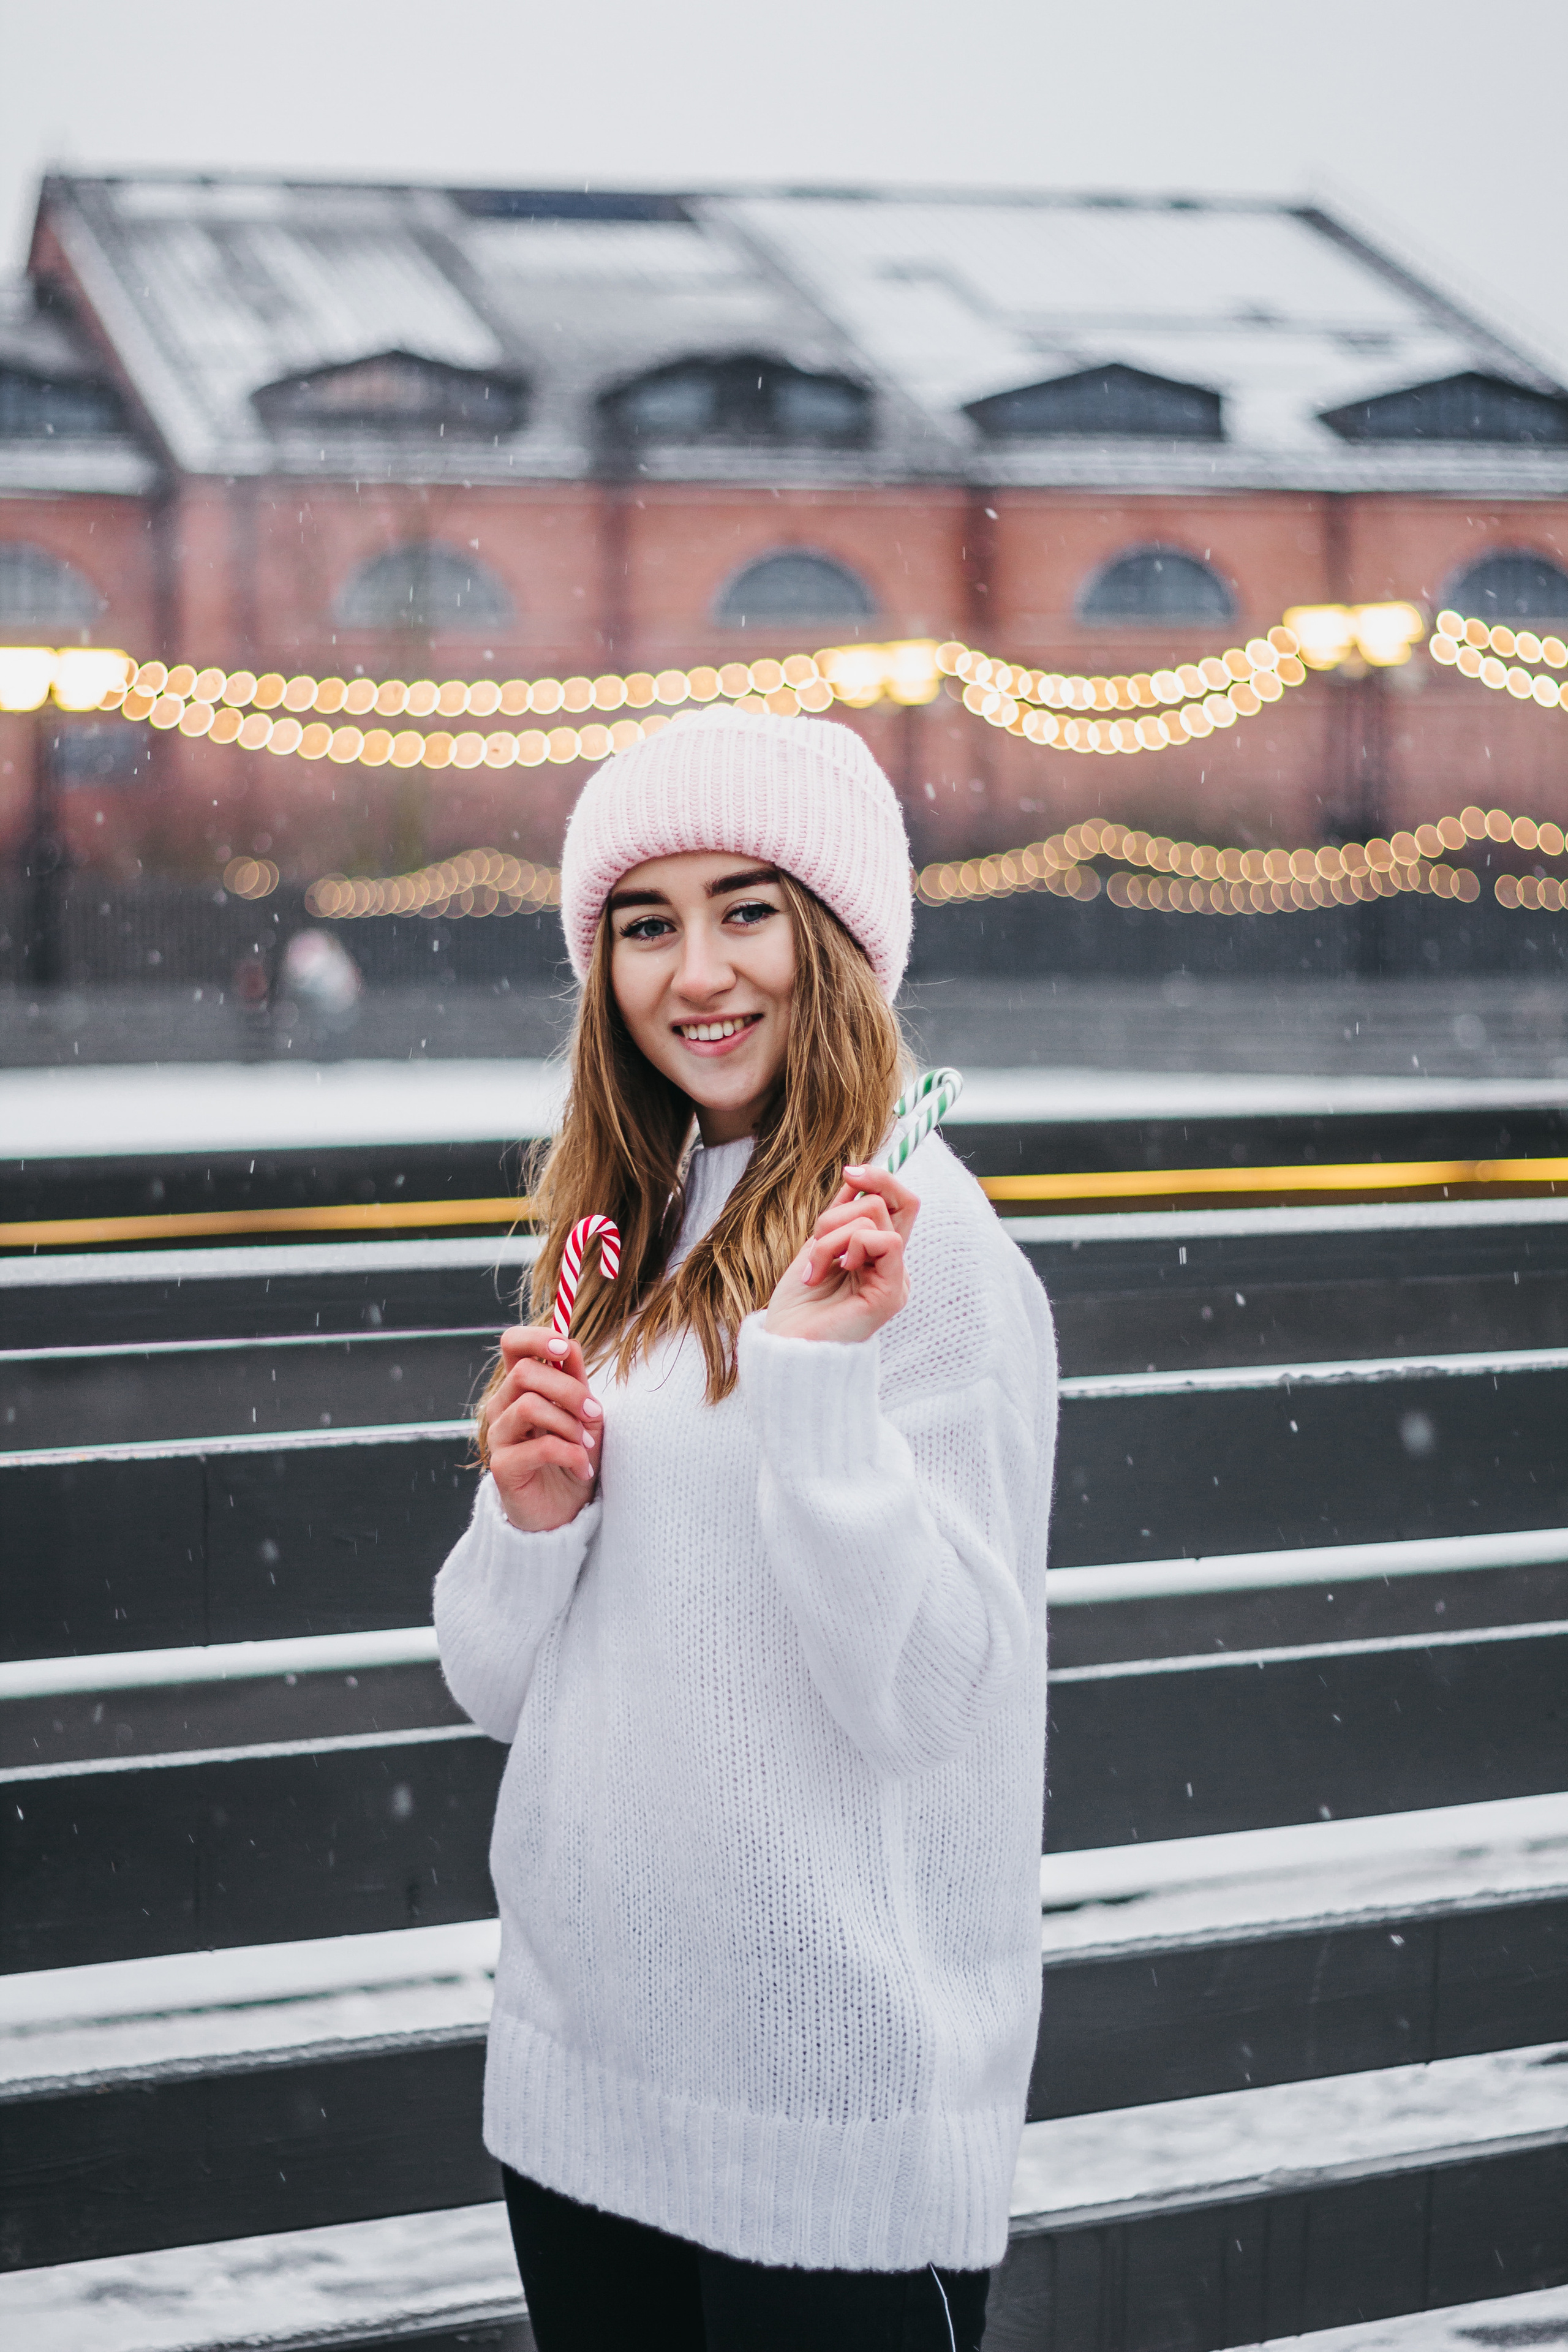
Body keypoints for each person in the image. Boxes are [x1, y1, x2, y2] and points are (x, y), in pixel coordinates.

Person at [434, 706, 1057, 2351]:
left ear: (832, 939)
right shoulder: (615, 1240)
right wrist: (528, 1515)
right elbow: (500, 1685)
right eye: (648, 924)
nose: (697, 971)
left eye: (747, 909)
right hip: (586, 2070)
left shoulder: (922, 1252)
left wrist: (813, 1392)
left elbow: (926, 1696)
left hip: (826, 2108)